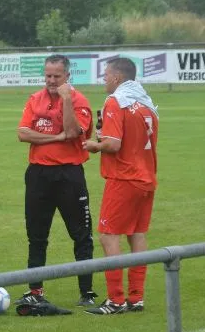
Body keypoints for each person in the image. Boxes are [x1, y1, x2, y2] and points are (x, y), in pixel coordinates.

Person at [16, 54, 97, 312]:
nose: (51, 80)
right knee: (36, 235)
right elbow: (22, 133)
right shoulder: (35, 99)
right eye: (48, 75)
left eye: (56, 76)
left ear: (67, 76)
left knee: (81, 234)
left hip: (68, 174)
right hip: (38, 174)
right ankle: (35, 291)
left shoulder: (78, 100)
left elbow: (73, 132)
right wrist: (56, 137)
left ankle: (87, 292)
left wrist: (66, 100)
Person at [83, 58, 158, 315]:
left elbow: (113, 144)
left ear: (117, 77)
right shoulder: (145, 103)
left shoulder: (116, 101)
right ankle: (136, 297)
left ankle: (115, 300)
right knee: (137, 235)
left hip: (125, 178)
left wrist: (95, 145)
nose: (104, 79)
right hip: (146, 178)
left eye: (106, 75)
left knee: (108, 235)